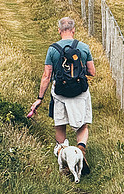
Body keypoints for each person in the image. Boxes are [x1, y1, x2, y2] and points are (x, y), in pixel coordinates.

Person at [28, 17, 96, 174]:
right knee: (82, 124)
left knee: (60, 124)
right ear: (73, 30)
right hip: (80, 92)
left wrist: (39, 98)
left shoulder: (53, 49)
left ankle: (65, 162)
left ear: (59, 30)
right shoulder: (84, 47)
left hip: (60, 93)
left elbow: (47, 75)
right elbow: (92, 72)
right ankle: (80, 151)